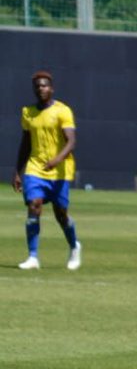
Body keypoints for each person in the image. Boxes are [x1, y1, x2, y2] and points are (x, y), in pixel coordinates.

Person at [13, 70, 81, 271]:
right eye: (37, 86)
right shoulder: (28, 112)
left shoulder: (62, 111)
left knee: (61, 214)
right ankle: (32, 256)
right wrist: (18, 171)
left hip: (60, 170)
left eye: (44, 85)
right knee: (34, 205)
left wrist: (57, 159)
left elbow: (71, 141)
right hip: (35, 168)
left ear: (51, 88)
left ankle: (74, 246)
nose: (40, 88)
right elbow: (25, 143)